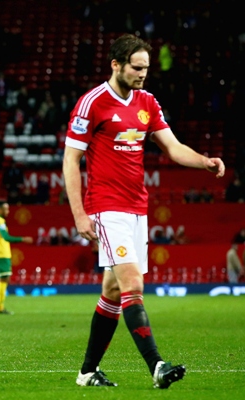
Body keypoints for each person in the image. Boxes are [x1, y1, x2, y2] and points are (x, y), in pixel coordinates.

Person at [63, 34, 225, 389]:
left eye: (146, 68)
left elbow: (172, 147)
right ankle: (158, 366)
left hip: (138, 207)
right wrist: (79, 213)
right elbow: (71, 160)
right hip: (106, 207)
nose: (142, 74)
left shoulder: (147, 102)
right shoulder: (92, 103)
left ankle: (87, 372)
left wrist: (204, 162)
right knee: (133, 284)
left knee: (112, 291)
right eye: (137, 68)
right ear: (116, 65)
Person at [0, 200, 33, 315]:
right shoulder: (0, 221)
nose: (8, 211)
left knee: (3, 279)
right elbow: (6, 237)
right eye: (6, 209)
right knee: (5, 279)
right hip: (2, 253)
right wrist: (23, 239)